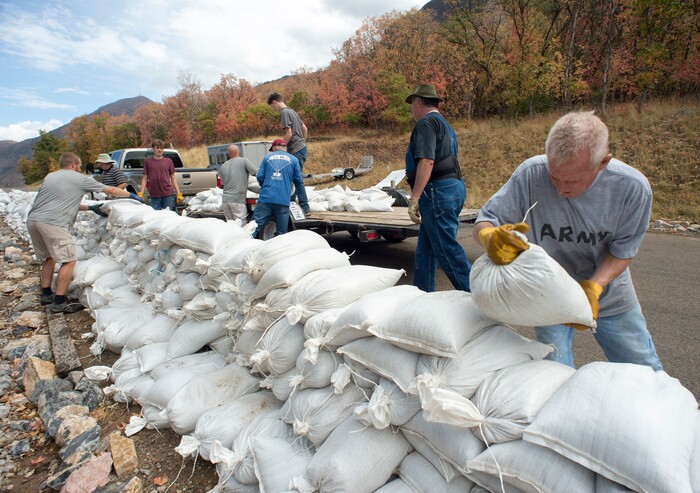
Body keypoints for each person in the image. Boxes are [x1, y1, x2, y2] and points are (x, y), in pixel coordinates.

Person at [472, 111, 663, 371]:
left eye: (572, 181)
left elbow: (623, 251)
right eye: (554, 177)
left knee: (642, 367)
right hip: (547, 292)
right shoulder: (531, 174)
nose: (560, 190)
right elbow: (485, 219)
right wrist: (489, 236)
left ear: (603, 163)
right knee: (554, 372)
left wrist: (594, 288)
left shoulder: (631, 189)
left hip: (608, 295)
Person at [26, 152, 142, 313]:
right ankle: (59, 301)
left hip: (33, 220)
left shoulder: (50, 177)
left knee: (49, 257)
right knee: (69, 261)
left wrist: (90, 207)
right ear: (73, 164)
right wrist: (131, 195)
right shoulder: (79, 178)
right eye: (79, 166)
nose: (80, 168)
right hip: (53, 223)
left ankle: (46, 294)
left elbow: (62, 202)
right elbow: (111, 190)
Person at [404, 84, 471, 293]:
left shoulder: (426, 123)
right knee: (427, 249)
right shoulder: (446, 127)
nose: (412, 110)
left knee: (445, 249)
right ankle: (422, 295)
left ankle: (479, 297)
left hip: (437, 192)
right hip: (452, 188)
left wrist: (414, 198)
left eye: (412, 105)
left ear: (419, 102)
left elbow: (427, 161)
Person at [252, 139, 310, 239]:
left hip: (266, 199)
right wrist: (304, 205)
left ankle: (245, 247)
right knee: (282, 233)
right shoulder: (294, 159)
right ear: (285, 148)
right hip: (283, 201)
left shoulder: (267, 158)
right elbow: (299, 182)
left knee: (253, 227)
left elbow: (260, 177)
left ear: (274, 147)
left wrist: (265, 187)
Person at [267, 92, 308, 170]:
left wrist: (280, 149)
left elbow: (289, 134)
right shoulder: (292, 111)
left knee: (293, 178)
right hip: (301, 148)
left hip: (295, 150)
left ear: (274, 102)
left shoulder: (284, 113)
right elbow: (305, 128)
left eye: (273, 107)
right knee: (295, 176)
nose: (274, 109)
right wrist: (302, 142)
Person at [218, 144, 258, 223]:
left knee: (231, 226)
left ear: (228, 154)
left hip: (225, 201)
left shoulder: (223, 166)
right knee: (241, 226)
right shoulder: (244, 161)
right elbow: (256, 173)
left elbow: (223, 185)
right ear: (239, 152)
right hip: (237, 200)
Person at [139, 139, 182, 210]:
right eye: (157, 148)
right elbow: (145, 178)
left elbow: (173, 177)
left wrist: (178, 193)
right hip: (154, 194)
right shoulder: (148, 162)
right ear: (153, 149)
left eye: (161, 148)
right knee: (156, 216)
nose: (159, 150)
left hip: (167, 194)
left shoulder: (168, 161)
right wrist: (141, 193)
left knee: (168, 215)